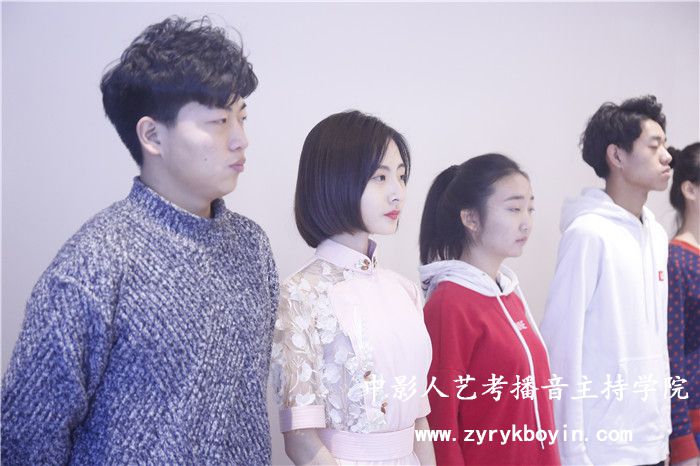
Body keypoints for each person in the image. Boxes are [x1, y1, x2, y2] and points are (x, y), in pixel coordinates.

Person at [1, 16, 279, 464]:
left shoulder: (252, 246)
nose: (240, 140)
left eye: (242, 118)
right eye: (218, 121)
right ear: (152, 135)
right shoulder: (94, 263)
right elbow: (26, 437)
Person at [270, 110, 435, 465]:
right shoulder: (298, 294)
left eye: (401, 176)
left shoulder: (405, 290)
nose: (398, 193)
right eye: (380, 177)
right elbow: (300, 438)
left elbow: (420, 416)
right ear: (336, 180)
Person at [540, 95, 673, 465]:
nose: (667, 156)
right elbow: (561, 346)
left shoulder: (656, 235)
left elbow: (656, 343)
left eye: (665, 145)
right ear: (617, 156)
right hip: (602, 449)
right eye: (654, 146)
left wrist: (662, 434)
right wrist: (571, 451)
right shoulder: (587, 234)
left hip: (651, 441)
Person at [418, 153, 560, 465]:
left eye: (530, 208)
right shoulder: (449, 304)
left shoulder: (508, 294)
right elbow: (440, 425)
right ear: (470, 218)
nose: (526, 222)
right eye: (513, 208)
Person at [667, 142, 700, 466]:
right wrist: (681, 441)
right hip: (694, 426)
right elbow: (671, 356)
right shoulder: (675, 260)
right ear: (690, 189)